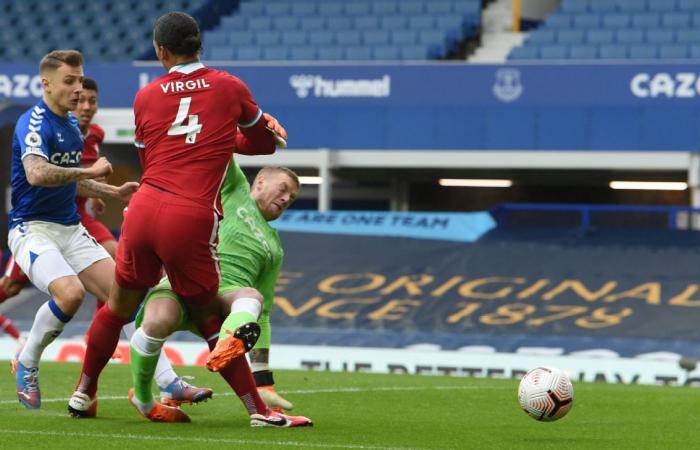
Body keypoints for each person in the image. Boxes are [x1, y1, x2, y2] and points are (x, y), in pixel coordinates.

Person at [69, 12, 290, 424]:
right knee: (209, 315)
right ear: (199, 45)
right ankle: (258, 410)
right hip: (190, 215)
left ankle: (84, 391)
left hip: (144, 208)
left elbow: (149, 158)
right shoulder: (228, 86)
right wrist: (238, 135)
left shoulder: (146, 96)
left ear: (161, 51)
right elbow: (263, 145)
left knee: (117, 307)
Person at [131, 162, 310, 426]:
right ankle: (145, 400)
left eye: (291, 198)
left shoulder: (275, 248)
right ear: (259, 181)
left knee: (253, 299)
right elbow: (220, 153)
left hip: (223, 297)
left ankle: (228, 346)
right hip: (185, 280)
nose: (286, 199)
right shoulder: (233, 189)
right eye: (283, 189)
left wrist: (265, 382)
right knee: (154, 322)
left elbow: (264, 315)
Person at [8, 49, 139, 409]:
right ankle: (28, 359)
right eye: (70, 81)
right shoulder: (33, 122)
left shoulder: (70, 125)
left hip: (70, 227)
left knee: (125, 295)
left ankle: (165, 383)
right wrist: (90, 172)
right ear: (46, 83)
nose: (78, 89)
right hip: (32, 229)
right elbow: (37, 173)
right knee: (70, 294)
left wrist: (110, 190)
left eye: (80, 80)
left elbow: (69, 181)